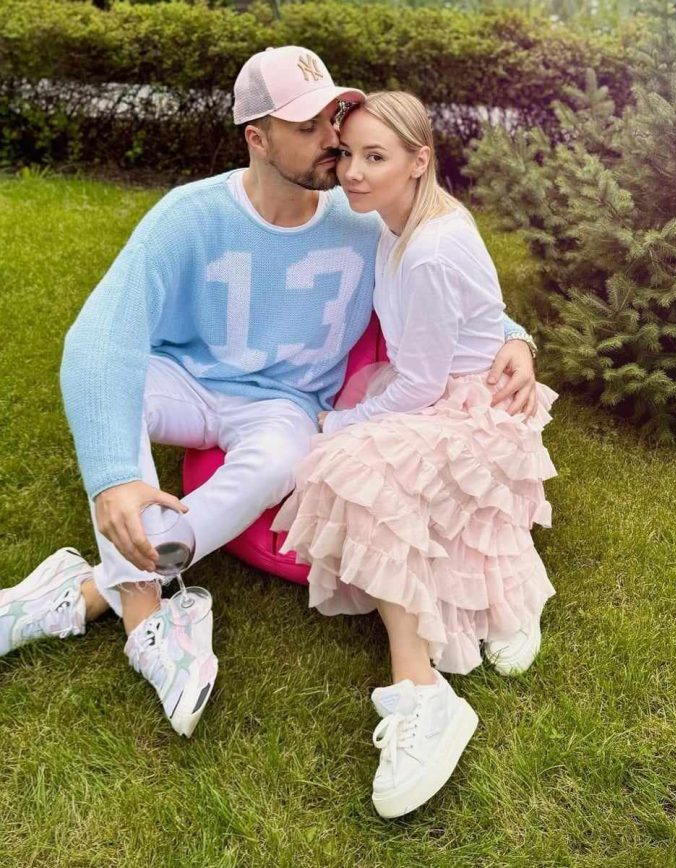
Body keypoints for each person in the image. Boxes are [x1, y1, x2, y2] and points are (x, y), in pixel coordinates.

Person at [0, 48, 539, 739]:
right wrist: (112, 479)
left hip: (284, 404)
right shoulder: (188, 215)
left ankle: (101, 590)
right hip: (187, 378)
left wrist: (515, 338)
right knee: (115, 387)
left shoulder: (363, 212)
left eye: (333, 118)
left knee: (283, 458)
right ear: (257, 137)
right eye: (308, 126)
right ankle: (147, 611)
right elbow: (100, 337)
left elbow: (452, 284)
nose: (334, 140)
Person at [272, 91, 557, 818]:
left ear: (418, 160)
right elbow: (482, 308)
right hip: (432, 387)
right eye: (347, 155)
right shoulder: (393, 217)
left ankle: (424, 687)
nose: (354, 173)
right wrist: (516, 334)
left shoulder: (428, 246)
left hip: (469, 409)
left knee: (349, 466)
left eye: (376, 157)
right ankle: (473, 610)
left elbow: (422, 385)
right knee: (356, 474)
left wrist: (340, 422)